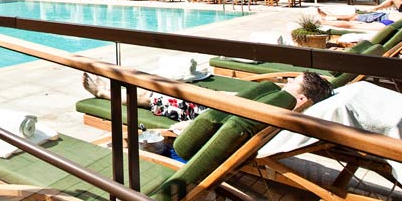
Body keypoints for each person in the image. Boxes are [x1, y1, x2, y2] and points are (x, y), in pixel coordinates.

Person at [81, 70, 332, 122]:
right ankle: (112, 84)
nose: (286, 81)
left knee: (150, 96)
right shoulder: (280, 102)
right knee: (164, 84)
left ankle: (103, 91)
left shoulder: (282, 107)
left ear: (302, 100)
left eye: (292, 83)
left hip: (204, 113)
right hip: (211, 103)